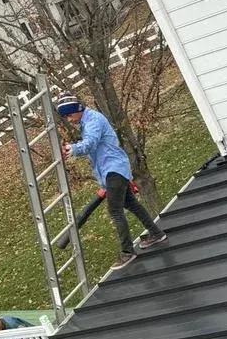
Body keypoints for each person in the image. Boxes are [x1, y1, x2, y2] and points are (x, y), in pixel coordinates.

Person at [56, 93, 166, 270]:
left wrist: (72, 149)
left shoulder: (93, 121)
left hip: (114, 169)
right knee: (131, 204)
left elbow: (90, 144)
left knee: (115, 210)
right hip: (113, 171)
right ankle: (156, 233)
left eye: (69, 115)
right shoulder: (86, 122)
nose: (68, 119)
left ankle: (127, 252)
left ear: (76, 110)